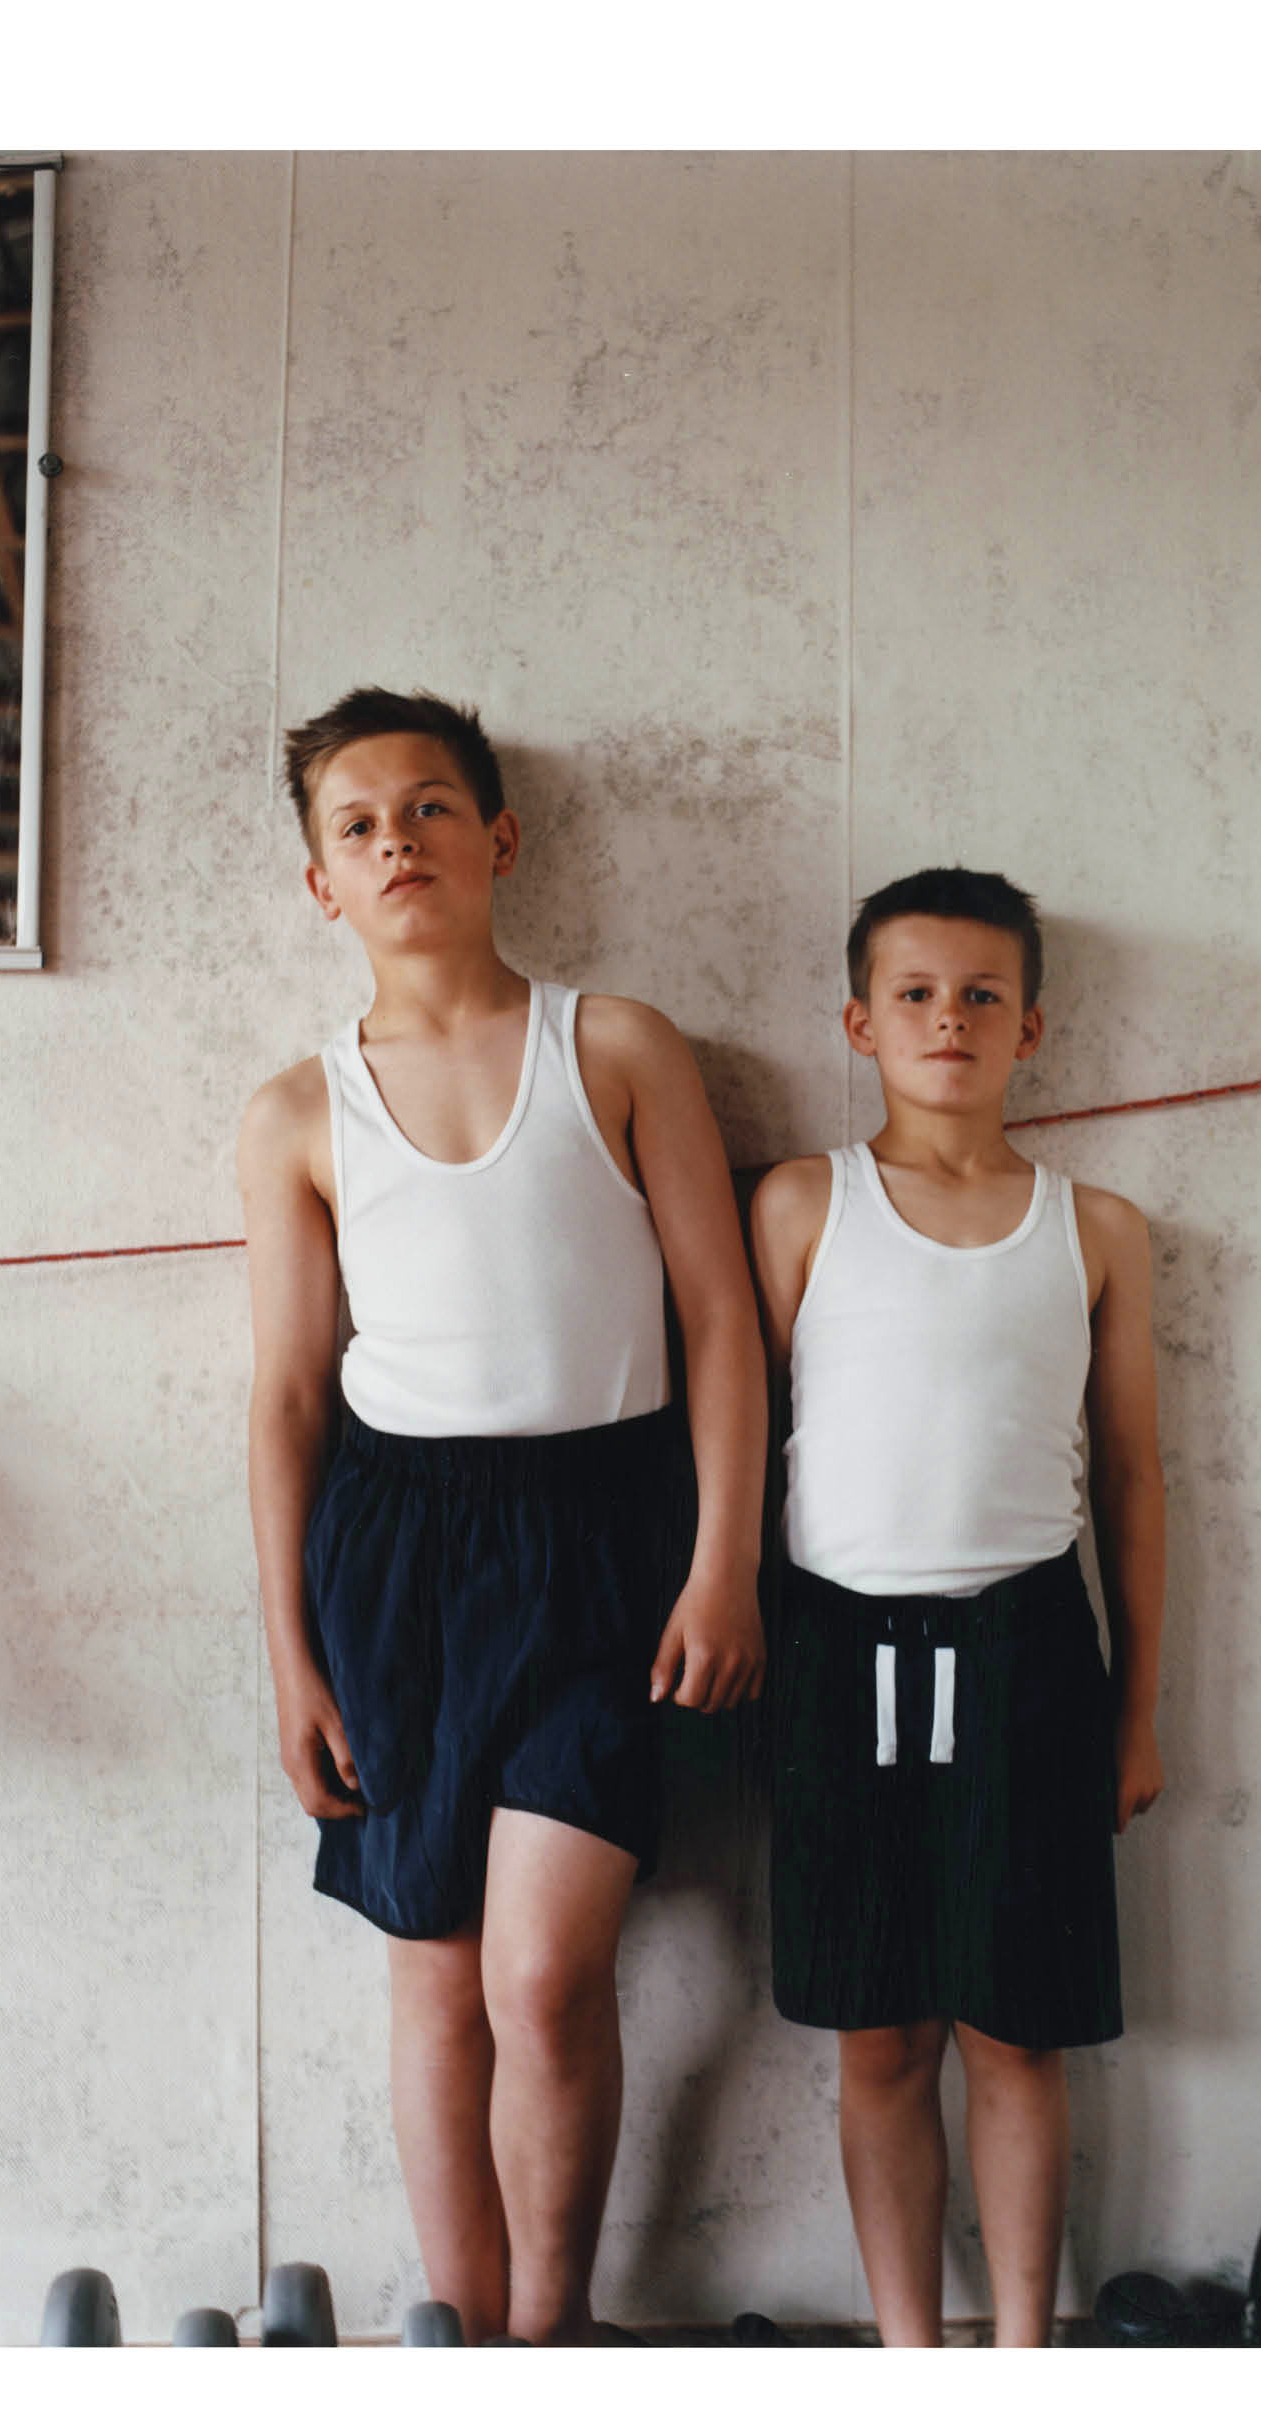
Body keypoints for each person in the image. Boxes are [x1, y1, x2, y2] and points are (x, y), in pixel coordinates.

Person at [233, 687, 770, 2345]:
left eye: (430, 808)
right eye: (358, 824)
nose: (398, 840)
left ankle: (551, 2335)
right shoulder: (297, 1113)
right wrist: (292, 1660)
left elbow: (722, 1323)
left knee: (542, 1976)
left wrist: (725, 1562)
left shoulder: (617, 1047)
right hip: (394, 1555)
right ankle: (456, 2343)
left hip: (606, 1537)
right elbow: (288, 1397)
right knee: (434, 1971)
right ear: (322, 880)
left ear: (499, 840)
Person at [745, 867, 1168, 2348]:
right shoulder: (802, 1204)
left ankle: (1021, 2355)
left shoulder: (1096, 1229)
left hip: (1028, 1655)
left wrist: (1136, 1713)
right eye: (915, 993)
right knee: (880, 2039)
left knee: (1016, 2034)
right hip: (835, 1655)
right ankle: (911, 2351)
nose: (950, 1019)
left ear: (1031, 1028)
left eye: (983, 995)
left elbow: (1134, 1478)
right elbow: (742, 1441)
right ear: (859, 1021)